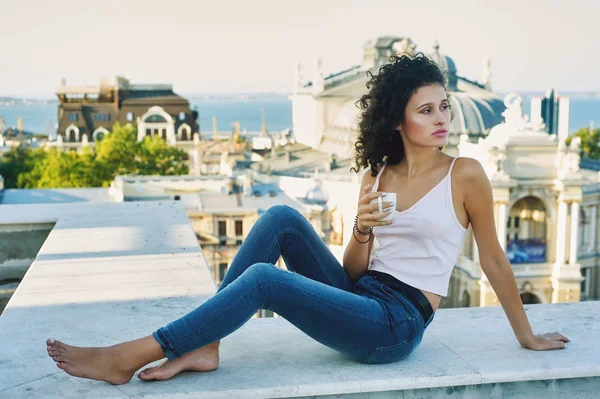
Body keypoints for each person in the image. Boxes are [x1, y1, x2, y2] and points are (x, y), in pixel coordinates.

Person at [46, 53, 569, 385]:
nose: (441, 120)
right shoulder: (380, 173)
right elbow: (356, 271)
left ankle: (135, 353)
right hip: (364, 297)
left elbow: (495, 261)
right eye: (426, 110)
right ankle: (205, 345)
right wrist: (362, 228)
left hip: (398, 324)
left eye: (444, 107)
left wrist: (527, 334)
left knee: (265, 280)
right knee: (279, 216)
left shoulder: (466, 174)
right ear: (399, 119)